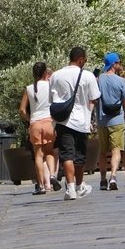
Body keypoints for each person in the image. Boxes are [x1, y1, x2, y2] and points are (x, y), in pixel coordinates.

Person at [50, 46, 101, 201]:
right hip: (81, 122)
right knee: (80, 156)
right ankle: (79, 186)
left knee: (66, 155)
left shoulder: (56, 76)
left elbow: (51, 100)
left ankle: (70, 189)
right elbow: (94, 98)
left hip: (63, 122)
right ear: (80, 59)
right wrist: (88, 113)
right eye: (85, 59)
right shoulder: (88, 76)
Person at [19, 62, 60, 195]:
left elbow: (22, 110)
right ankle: (53, 176)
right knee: (49, 152)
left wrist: (30, 118)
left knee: (38, 154)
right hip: (49, 122)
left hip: (35, 123)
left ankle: (41, 185)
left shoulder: (29, 88)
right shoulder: (50, 86)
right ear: (45, 73)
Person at [96, 53, 125, 191]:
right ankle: (113, 176)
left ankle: (103, 180)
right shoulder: (121, 81)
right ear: (114, 64)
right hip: (117, 119)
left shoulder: (98, 80)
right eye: (119, 62)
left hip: (101, 120)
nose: (120, 64)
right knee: (116, 150)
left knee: (103, 151)